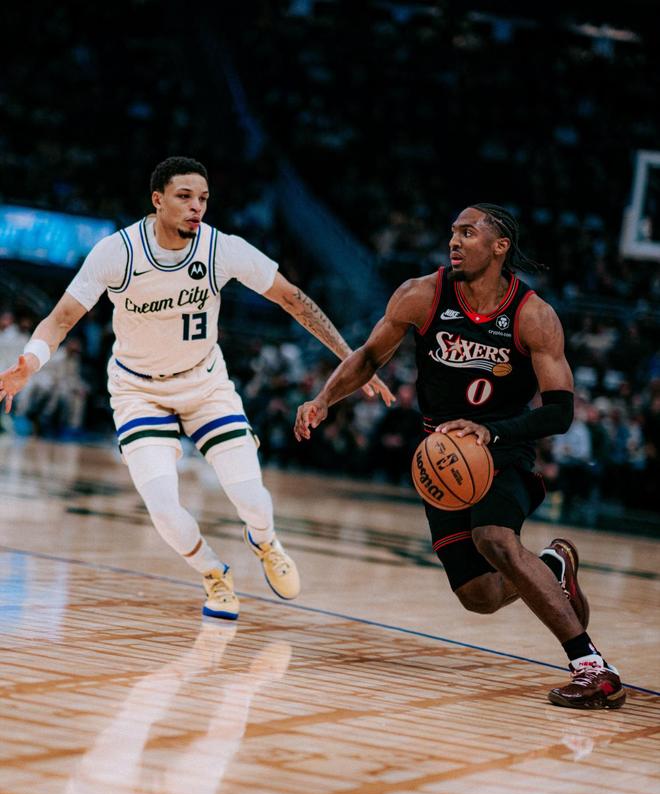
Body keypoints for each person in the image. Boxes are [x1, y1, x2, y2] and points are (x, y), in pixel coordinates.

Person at [0, 156, 392, 621]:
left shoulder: (222, 249)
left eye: (203, 198)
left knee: (252, 498)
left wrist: (351, 357)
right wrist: (31, 362)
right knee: (164, 508)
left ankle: (265, 541)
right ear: (157, 199)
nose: (196, 207)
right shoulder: (117, 252)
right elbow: (62, 317)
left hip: (205, 385)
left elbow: (294, 299)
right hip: (138, 391)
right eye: (184, 197)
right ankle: (214, 574)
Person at [295, 203, 625, 710]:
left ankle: (593, 668)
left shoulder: (533, 315)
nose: (454, 241)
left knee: (494, 538)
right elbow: (369, 355)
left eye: (468, 233)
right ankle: (552, 565)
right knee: (480, 597)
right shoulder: (421, 294)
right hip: (442, 454)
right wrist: (324, 399)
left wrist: (491, 432)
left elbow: (560, 412)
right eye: (453, 232)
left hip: (503, 447)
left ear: (499, 247)